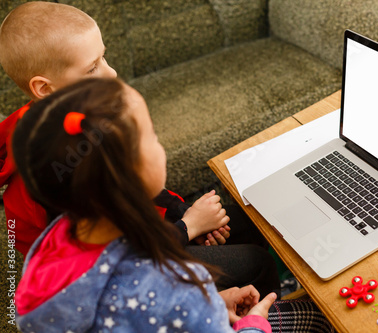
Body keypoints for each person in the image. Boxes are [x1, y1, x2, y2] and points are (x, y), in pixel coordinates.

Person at [0, 2, 279, 297]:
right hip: (113, 277)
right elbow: (117, 261)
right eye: (92, 67)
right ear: (44, 89)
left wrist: (187, 215)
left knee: (250, 220)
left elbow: (136, 188)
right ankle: (260, 319)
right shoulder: (58, 179)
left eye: (103, 58)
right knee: (254, 264)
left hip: (142, 228)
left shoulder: (80, 114)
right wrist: (188, 228)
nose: (111, 73)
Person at [12, 78, 333, 332]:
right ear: (132, 175)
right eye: (152, 136)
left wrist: (210, 303)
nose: (159, 144)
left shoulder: (57, 237)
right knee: (320, 319)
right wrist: (251, 324)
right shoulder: (178, 286)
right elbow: (167, 307)